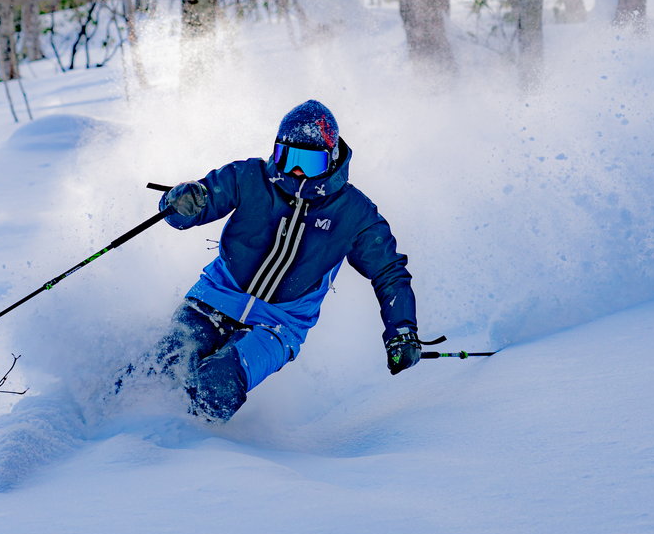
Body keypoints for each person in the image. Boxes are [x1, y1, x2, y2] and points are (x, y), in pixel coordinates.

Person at [112, 100, 422, 421]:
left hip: (278, 325)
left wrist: (402, 331)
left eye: (310, 162)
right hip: (213, 300)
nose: (297, 170)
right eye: (287, 157)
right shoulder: (249, 177)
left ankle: (189, 449)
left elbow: (389, 273)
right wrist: (183, 202)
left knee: (217, 380)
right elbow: (195, 205)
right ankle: (107, 423)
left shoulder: (353, 213)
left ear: (331, 160)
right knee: (164, 360)